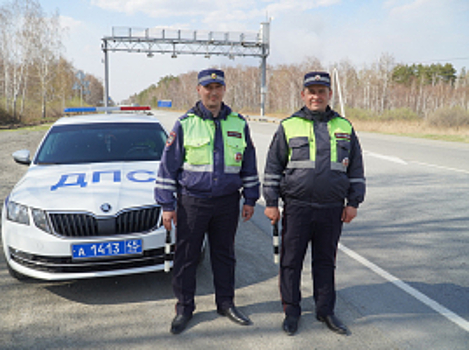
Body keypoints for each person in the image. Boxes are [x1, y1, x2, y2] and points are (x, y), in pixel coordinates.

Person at [155, 68, 260, 335]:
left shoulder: (238, 123)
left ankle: (226, 304)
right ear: (199, 90)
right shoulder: (185, 123)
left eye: (218, 87)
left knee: (224, 256)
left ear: (224, 90)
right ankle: (184, 308)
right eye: (207, 88)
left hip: (226, 202)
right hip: (192, 203)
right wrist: (167, 205)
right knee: (187, 257)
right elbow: (168, 168)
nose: (213, 92)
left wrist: (250, 198)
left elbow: (248, 164)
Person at [263, 71, 366, 336]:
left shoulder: (344, 127)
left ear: (329, 94)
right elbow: (273, 166)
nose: (316, 96)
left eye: (321, 91)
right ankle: (292, 311)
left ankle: (325, 311)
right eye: (311, 91)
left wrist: (353, 202)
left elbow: (355, 169)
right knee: (291, 262)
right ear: (303, 95)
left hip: (332, 208)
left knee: (325, 262)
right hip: (297, 207)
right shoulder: (289, 126)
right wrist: (271, 201)